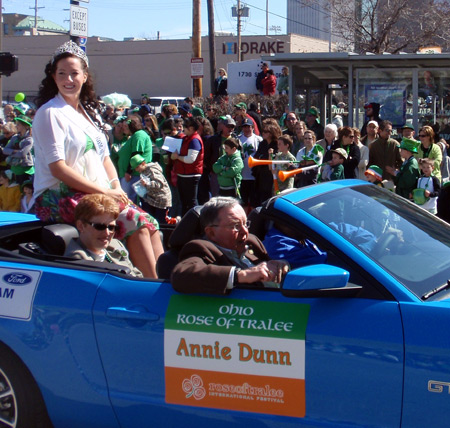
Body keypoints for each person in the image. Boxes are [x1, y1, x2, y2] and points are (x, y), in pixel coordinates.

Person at [32, 40, 162, 279]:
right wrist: (105, 191)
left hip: (97, 193)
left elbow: (104, 158)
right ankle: (153, 290)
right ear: (53, 76)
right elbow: (58, 169)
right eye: (62, 74)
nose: (68, 80)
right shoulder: (50, 113)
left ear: (84, 76)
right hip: (59, 194)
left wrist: (114, 186)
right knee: (133, 221)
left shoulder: (87, 115)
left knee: (149, 222)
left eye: (74, 73)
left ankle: (165, 284)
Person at [171, 196, 289, 294]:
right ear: (211, 232)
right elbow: (181, 276)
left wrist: (280, 266)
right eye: (235, 226)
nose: (245, 231)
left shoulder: (252, 242)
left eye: (245, 223)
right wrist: (241, 275)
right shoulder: (200, 249)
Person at [64, 194, 143, 277]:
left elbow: (137, 276)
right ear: (81, 226)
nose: (107, 233)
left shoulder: (115, 245)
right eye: (99, 226)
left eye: (111, 227)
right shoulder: (77, 260)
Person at [171, 116, 204, 216]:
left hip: (191, 175)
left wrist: (177, 157)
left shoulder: (194, 140)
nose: (183, 129)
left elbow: (191, 159)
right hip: (183, 175)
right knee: (185, 202)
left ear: (191, 128)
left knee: (191, 203)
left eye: (185, 127)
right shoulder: (186, 138)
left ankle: (196, 223)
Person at [117, 115, 153, 203]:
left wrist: (129, 171)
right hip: (130, 174)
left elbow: (136, 154)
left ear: (132, 126)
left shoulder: (139, 135)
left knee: (127, 201)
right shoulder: (133, 136)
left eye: (126, 126)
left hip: (134, 174)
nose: (123, 128)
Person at [130, 154, 172, 225]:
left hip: (161, 201)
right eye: (135, 168)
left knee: (161, 223)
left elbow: (159, 183)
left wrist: (147, 184)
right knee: (152, 222)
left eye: (137, 167)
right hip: (153, 200)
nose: (137, 170)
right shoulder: (143, 171)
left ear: (143, 163)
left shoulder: (152, 170)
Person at [252, 122, 281, 205]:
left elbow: (275, 158)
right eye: (263, 131)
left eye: (265, 132)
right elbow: (257, 156)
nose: (263, 133)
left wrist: (265, 157)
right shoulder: (262, 143)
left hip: (271, 174)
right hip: (261, 174)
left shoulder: (276, 144)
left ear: (271, 133)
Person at [238, 117, 262, 211]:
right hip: (242, 176)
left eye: (248, 127)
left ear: (252, 127)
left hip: (254, 177)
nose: (246, 129)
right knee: (242, 203)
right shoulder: (238, 139)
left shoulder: (258, 140)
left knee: (254, 202)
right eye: (244, 127)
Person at [3, 115, 35, 185]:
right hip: (15, 169)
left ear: (26, 126)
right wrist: (14, 151)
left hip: (25, 171)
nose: (16, 126)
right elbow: (5, 150)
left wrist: (11, 152)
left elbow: (22, 154)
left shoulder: (29, 139)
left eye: (18, 124)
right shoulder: (15, 137)